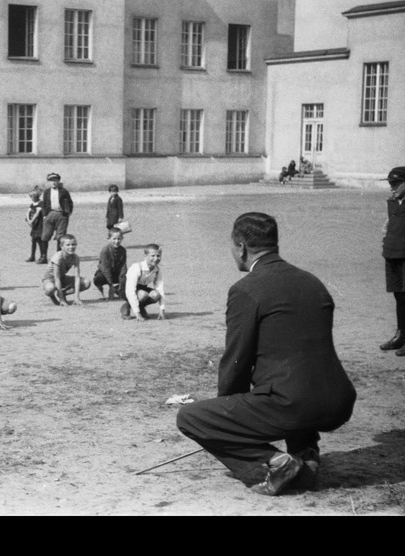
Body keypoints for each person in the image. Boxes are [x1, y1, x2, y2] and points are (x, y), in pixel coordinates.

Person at [176, 212, 356, 496]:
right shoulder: (312, 282)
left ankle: (273, 464)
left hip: (293, 404)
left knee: (189, 416)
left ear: (241, 248)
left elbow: (236, 360)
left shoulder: (246, 289)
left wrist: (227, 420)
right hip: (338, 402)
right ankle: (306, 458)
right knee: (289, 381)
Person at [379, 167, 405, 355]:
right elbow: (389, 224)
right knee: (398, 295)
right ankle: (401, 335)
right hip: (392, 252)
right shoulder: (392, 202)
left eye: (395, 184)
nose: (392, 188)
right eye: (390, 184)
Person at [41, 234, 90, 306]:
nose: (71, 247)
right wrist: (62, 300)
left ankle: (63, 293)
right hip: (50, 279)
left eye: (73, 244)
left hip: (62, 278)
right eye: (68, 245)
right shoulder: (58, 257)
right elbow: (56, 279)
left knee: (86, 283)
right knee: (50, 289)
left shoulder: (75, 257)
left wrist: (77, 298)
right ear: (61, 246)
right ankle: (53, 296)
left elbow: (77, 277)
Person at [121, 243, 165, 321]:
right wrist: (137, 314)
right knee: (143, 295)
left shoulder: (157, 270)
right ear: (145, 256)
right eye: (152, 256)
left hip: (141, 288)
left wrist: (162, 310)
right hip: (125, 289)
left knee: (156, 295)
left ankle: (141, 307)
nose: (156, 258)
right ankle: (126, 306)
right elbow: (130, 291)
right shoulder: (136, 267)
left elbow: (160, 289)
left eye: (158, 256)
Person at [38, 173, 73, 264]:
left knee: (60, 237)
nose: (53, 183)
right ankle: (43, 256)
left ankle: (58, 257)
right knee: (45, 236)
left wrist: (67, 214)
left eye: (55, 181)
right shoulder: (46, 192)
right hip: (50, 214)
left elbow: (70, 203)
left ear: (58, 181)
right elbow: (44, 204)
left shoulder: (64, 191)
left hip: (61, 215)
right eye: (51, 181)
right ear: (48, 182)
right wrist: (45, 215)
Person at [93, 229, 127, 300]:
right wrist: (110, 285)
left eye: (119, 239)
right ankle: (101, 291)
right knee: (97, 279)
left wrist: (121, 284)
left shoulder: (123, 250)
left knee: (129, 278)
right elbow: (105, 268)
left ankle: (118, 289)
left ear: (122, 238)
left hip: (116, 273)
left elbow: (123, 267)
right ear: (109, 239)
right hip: (105, 274)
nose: (117, 241)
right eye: (114, 239)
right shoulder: (105, 250)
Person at [25, 190, 43, 262]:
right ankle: (32, 256)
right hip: (34, 225)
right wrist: (29, 221)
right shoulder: (32, 204)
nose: (32, 198)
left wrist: (31, 221)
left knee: (40, 241)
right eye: (31, 197)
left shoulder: (41, 203)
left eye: (33, 196)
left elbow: (37, 213)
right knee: (33, 241)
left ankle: (42, 256)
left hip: (39, 224)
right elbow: (28, 211)